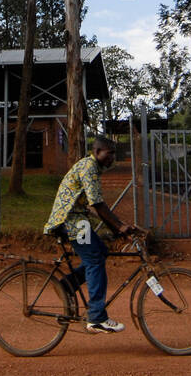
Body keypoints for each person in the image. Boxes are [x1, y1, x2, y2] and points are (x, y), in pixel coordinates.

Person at [43, 136, 141, 334]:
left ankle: (67, 285)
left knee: (100, 253)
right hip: (72, 221)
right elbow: (97, 205)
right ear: (97, 152)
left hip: (77, 219)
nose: (112, 157)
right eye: (109, 153)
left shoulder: (91, 167)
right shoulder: (90, 168)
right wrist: (119, 227)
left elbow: (95, 206)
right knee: (95, 259)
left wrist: (119, 227)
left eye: (114, 153)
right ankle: (96, 317)